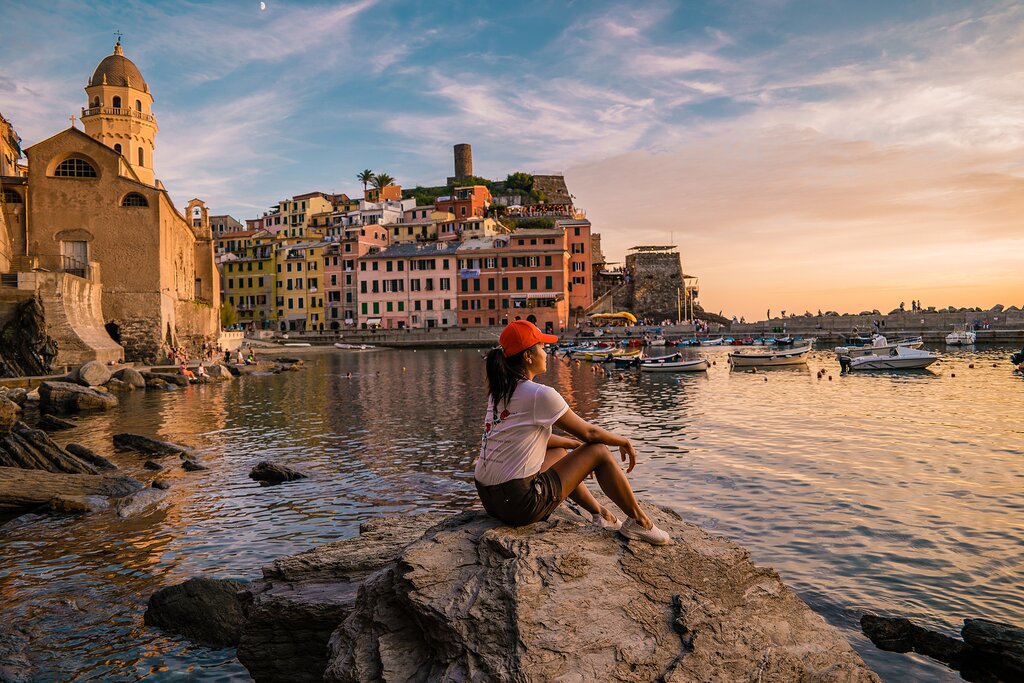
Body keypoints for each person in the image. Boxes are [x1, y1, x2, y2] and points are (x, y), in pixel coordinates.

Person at [474, 320, 671, 545]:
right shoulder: (539, 394)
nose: (546, 353)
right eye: (541, 347)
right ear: (528, 356)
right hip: (519, 506)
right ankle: (640, 521)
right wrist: (623, 440)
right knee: (599, 450)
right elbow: (590, 434)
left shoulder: (501, 391)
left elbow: (522, 440)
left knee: (559, 452)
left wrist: (572, 446)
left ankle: (602, 514)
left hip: (490, 499)